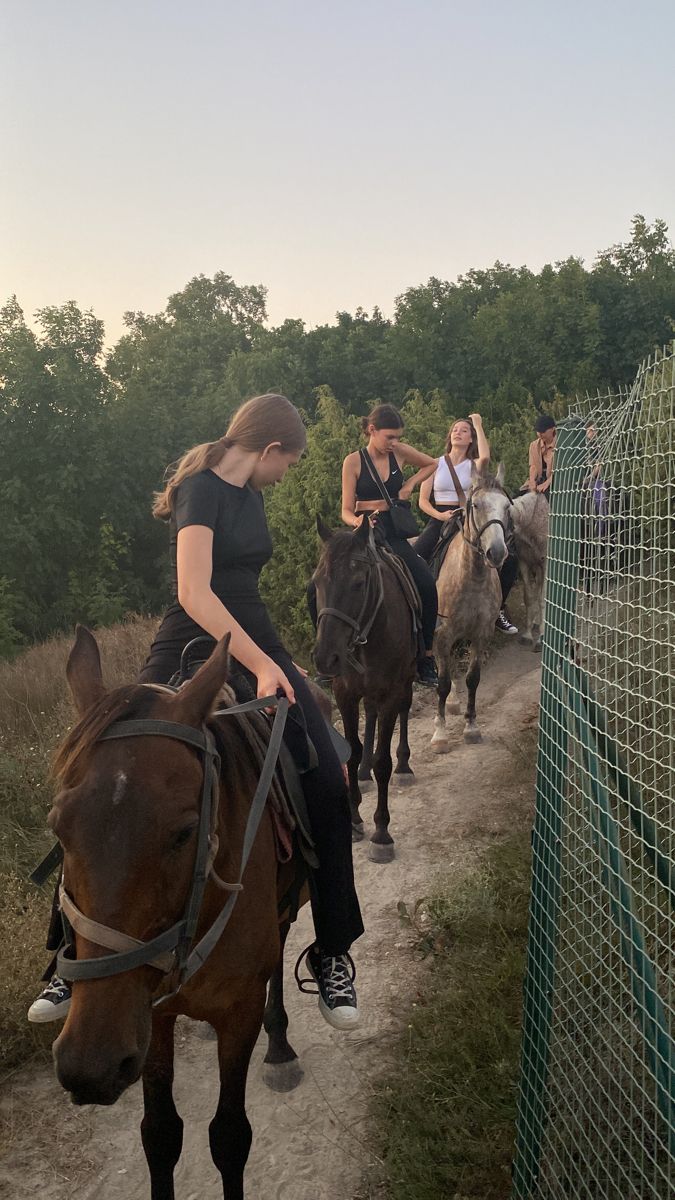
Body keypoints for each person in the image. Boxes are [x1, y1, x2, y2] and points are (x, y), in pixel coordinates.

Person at [29, 394, 364, 1032]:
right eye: (287, 463)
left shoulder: (250, 495)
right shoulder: (199, 491)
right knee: (106, 772)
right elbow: (193, 590)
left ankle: (332, 950)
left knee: (323, 771)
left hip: (255, 633)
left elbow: (240, 585)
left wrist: (267, 658)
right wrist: (259, 665)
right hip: (191, 634)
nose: (285, 475)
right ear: (269, 449)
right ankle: (67, 955)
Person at [340, 404, 440, 686]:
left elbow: (433, 463)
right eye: (389, 437)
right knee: (320, 586)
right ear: (372, 431)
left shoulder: (400, 452)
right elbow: (345, 510)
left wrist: (409, 484)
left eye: (397, 437)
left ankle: (426, 656)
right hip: (363, 528)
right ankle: (331, 658)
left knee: (426, 584)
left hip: (393, 529)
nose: (394, 443)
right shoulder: (353, 461)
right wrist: (358, 523)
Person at [416, 415, 519, 636]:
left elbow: (486, 456)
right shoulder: (434, 464)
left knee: (509, 561)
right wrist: (440, 515)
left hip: (468, 518)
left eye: (464, 430)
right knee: (416, 556)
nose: (458, 432)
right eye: (455, 429)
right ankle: (422, 611)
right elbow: (422, 501)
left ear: (471, 438)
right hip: (441, 518)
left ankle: (497, 610)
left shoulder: (474, 466)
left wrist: (479, 425)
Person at [526, 413, 557, 498]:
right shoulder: (534, 445)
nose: (540, 434)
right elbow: (533, 466)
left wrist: (547, 483)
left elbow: (560, 471)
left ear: (553, 429)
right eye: (538, 431)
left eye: (543, 431)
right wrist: (532, 481)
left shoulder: (561, 445)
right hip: (539, 480)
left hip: (555, 483)